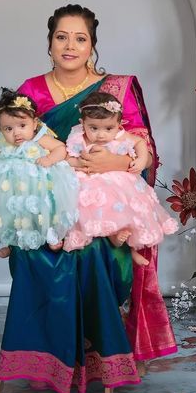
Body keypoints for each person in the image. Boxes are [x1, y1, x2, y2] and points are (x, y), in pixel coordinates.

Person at [0, 4, 177, 393]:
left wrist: (117, 161)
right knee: (34, 251)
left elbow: (144, 150)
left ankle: (93, 362)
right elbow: (16, 143)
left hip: (102, 205)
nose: (70, 45)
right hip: (46, 203)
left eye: (80, 38)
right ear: (50, 43)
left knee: (92, 253)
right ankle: (52, 358)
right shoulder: (31, 90)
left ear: (92, 46)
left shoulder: (114, 90)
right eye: (61, 37)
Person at [63, 91, 178, 264]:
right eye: (93, 128)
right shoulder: (78, 137)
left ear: (119, 124)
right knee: (90, 206)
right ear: (82, 123)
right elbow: (66, 159)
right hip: (87, 180)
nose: (101, 135)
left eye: (108, 128)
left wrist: (140, 160)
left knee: (126, 210)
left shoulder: (121, 135)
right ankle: (113, 238)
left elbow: (140, 142)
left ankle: (131, 249)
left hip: (118, 182)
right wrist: (79, 163)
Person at [0, 89, 78, 257]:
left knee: (44, 212)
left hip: (38, 187)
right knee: (10, 214)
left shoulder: (39, 138)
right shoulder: (4, 143)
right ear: (0, 129)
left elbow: (60, 148)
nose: (16, 133)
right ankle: (11, 244)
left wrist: (49, 159)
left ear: (34, 123)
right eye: (8, 128)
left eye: (22, 126)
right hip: (13, 190)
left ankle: (52, 235)